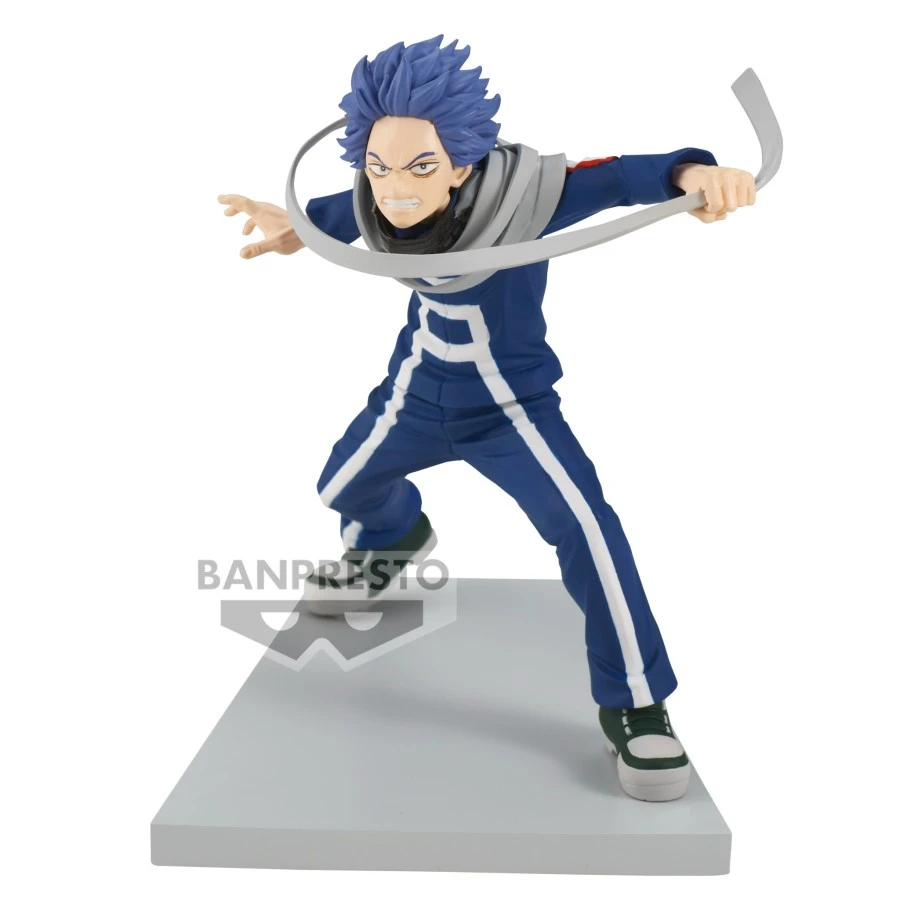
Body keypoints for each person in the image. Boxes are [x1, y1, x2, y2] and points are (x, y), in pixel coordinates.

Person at [218, 35, 756, 802]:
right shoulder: (376, 197)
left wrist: (694, 174)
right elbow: (345, 212)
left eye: (420, 168)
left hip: (512, 410)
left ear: (462, 164)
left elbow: (621, 177)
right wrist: (296, 228)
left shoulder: (529, 198)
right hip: (415, 392)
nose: (395, 189)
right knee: (340, 484)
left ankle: (636, 702)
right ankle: (391, 538)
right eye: (379, 167)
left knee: (589, 531)